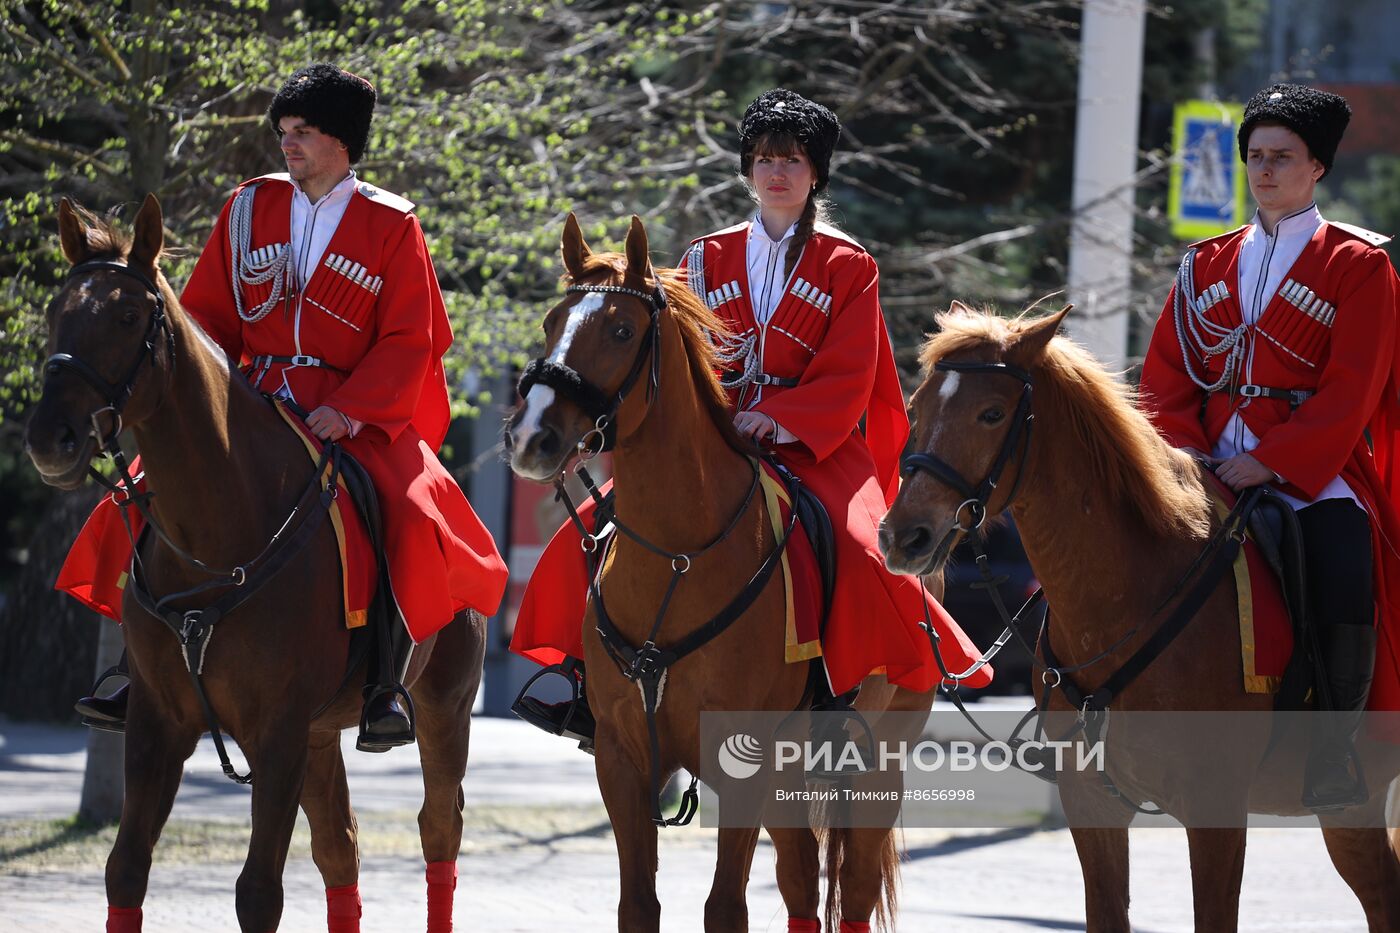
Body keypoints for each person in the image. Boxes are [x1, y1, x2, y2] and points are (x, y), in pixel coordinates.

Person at [510, 88, 990, 746]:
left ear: (815, 172)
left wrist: (782, 416)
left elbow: (853, 373)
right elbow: (677, 356)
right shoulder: (705, 256)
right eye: (764, 158)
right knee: (594, 529)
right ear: (747, 168)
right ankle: (586, 683)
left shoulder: (850, 266)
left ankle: (839, 693)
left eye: (792, 159)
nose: (777, 172)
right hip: (719, 438)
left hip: (814, 448)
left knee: (858, 549)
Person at [65, 63, 509, 751]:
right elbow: (205, 316)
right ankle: (138, 665)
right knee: (149, 491)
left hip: (348, 414)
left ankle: (385, 680)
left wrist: (353, 408)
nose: (288, 144)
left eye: (302, 132)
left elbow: (408, 340)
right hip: (252, 402)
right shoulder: (248, 206)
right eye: (283, 132)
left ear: (342, 142)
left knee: (406, 512)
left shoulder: (392, 226)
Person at [1139, 83, 1400, 810]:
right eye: (1255, 156)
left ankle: (1335, 752)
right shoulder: (1204, 264)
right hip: (1203, 464)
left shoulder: (1359, 265)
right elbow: (1164, 379)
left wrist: (1275, 458)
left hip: (1313, 469)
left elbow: (1355, 387)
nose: (1264, 170)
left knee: (1345, 562)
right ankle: (1084, 720)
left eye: (1281, 157)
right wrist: (1188, 457)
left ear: (1317, 167)